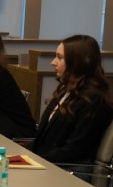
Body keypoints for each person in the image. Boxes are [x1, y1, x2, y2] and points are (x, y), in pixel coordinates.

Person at [28, 35, 113, 163]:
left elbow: (75, 150)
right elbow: (42, 140)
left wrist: (34, 160)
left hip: (66, 169)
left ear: (78, 62)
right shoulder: (65, 91)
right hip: (46, 162)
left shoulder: (94, 100)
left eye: (59, 57)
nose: (53, 62)